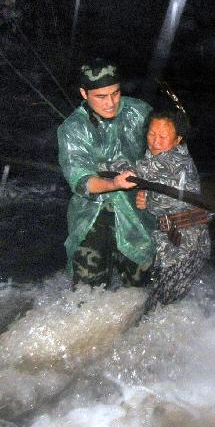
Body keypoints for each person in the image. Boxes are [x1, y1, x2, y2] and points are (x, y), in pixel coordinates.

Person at [57, 58, 156, 289]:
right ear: (84, 93)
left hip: (136, 211)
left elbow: (167, 150)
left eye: (115, 93)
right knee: (87, 293)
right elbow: (81, 181)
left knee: (142, 290)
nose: (110, 103)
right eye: (101, 97)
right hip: (92, 213)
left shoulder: (140, 112)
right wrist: (115, 183)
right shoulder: (72, 128)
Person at [113, 108, 211, 313]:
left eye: (163, 137)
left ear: (178, 140)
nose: (155, 142)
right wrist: (148, 199)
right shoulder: (162, 154)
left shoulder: (172, 161)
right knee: (160, 310)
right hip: (171, 243)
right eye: (151, 133)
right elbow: (163, 191)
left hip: (184, 249)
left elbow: (126, 171)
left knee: (156, 314)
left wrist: (90, 164)